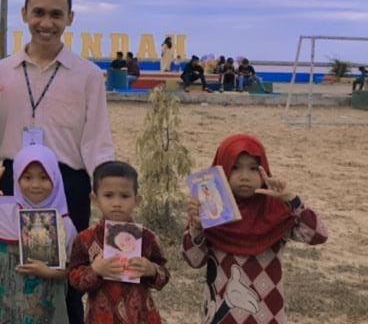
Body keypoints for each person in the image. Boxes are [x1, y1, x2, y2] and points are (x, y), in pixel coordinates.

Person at [0, 0, 114, 324]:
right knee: (12, 273)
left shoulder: (88, 76)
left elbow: (97, 141)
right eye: (38, 13)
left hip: (67, 185)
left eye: (55, 14)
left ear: (70, 18)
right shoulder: (2, 71)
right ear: (24, 14)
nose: (46, 23)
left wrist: (106, 195)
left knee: (65, 279)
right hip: (14, 183)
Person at [182, 134, 327, 324]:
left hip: (267, 315)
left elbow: (318, 235)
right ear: (222, 170)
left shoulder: (275, 213)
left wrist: (291, 199)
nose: (244, 177)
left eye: (253, 168)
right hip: (221, 315)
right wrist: (197, 227)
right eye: (235, 167)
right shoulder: (211, 213)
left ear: (264, 170)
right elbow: (193, 260)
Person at [0, 143, 77, 324]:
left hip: (46, 312)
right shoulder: (6, 215)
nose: (35, 185)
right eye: (27, 177)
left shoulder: (64, 224)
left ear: (55, 179)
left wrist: (50, 273)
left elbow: (72, 270)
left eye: (44, 177)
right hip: (7, 309)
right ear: (16, 179)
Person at [67, 161, 170, 324]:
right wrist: (95, 270)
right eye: (108, 195)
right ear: (95, 199)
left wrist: (151, 270)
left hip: (140, 317)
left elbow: (164, 274)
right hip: (101, 317)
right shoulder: (86, 239)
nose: (116, 203)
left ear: (137, 200)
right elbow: (73, 278)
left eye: (124, 196)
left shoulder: (147, 238)